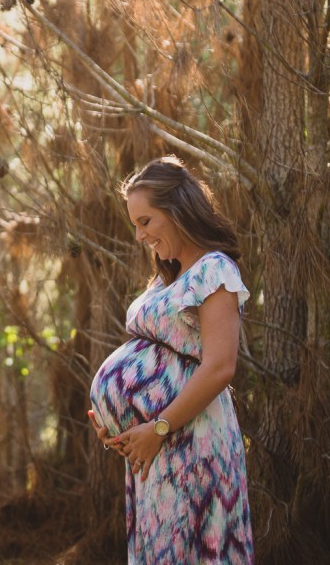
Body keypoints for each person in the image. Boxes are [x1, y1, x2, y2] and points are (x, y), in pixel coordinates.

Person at [88, 156, 254, 564]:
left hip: (193, 445)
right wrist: (121, 428)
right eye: (135, 225)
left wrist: (158, 427)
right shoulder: (168, 277)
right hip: (157, 450)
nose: (140, 235)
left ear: (177, 209)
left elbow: (220, 366)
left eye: (146, 221)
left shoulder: (214, 270)